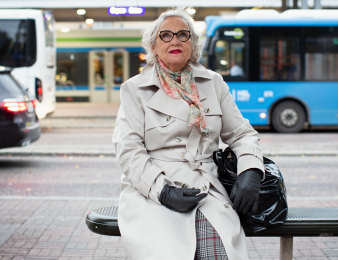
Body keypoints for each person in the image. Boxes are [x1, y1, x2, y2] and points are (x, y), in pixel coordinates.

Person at [112, 7, 264, 260]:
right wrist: (163, 191)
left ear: (193, 44)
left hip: (207, 187)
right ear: (153, 45)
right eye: (166, 35)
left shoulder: (213, 82)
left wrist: (250, 171)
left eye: (183, 35)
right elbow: (128, 150)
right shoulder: (134, 89)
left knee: (217, 250)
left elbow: (242, 134)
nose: (175, 40)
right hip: (152, 190)